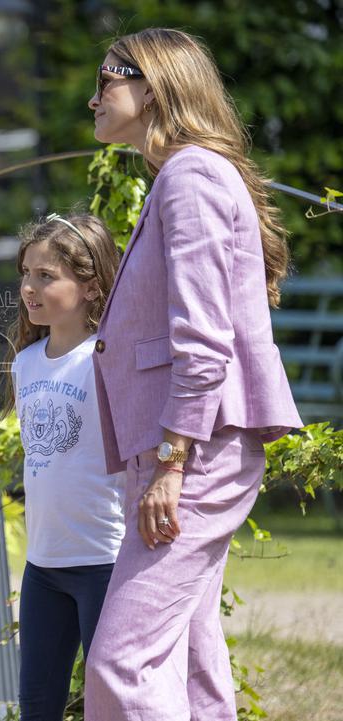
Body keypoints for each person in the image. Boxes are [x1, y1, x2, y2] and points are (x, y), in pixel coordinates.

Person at [82, 29, 303, 721]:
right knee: (187, 655)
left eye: (107, 80)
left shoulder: (191, 177)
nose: (93, 97)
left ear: (152, 87)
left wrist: (174, 461)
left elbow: (205, 343)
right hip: (185, 445)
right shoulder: (181, 176)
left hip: (194, 448)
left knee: (123, 661)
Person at [6, 213, 123, 721]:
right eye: (26, 273)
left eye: (46, 276)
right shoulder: (24, 362)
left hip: (107, 563)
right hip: (44, 568)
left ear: (91, 286)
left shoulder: (108, 358)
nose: (29, 288)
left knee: (112, 703)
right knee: (36, 705)